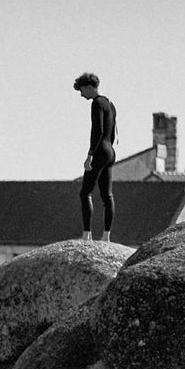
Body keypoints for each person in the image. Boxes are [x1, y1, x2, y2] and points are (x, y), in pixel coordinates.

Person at [74, 71, 117, 242]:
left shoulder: (97, 103)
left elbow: (97, 130)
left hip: (100, 151)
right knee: (107, 196)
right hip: (110, 151)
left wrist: (90, 154)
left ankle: (87, 234)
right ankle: (106, 235)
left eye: (81, 90)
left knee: (86, 192)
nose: (81, 95)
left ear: (88, 87)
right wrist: (108, 150)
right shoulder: (109, 103)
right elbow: (112, 132)